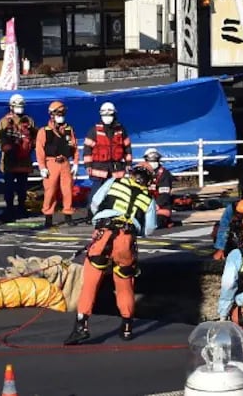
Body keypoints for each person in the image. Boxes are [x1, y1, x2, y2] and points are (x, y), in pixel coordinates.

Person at [66, 164, 158, 344]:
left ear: (132, 174)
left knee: (90, 282)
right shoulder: (149, 199)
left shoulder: (114, 182)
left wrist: (99, 219)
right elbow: (150, 228)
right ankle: (126, 327)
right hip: (126, 240)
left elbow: (95, 201)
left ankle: (81, 325)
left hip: (104, 235)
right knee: (125, 285)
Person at [35, 100, 79, 228]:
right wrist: (42, 167)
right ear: (52, 115)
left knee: (67, 190)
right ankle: (48, 217)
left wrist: (75, 163)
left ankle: (68, 215)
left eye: (63, 112)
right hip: (51, 163)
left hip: (65, 163)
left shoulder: (69, 130)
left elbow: (74, 147)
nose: (61, 115)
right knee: (50, 191)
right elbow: (39, 150)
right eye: (58, 113)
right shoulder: (44, 131)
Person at [0, 94, 36, 219]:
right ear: (11, 106)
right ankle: (9, 209)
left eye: (21, 106)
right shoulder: (5, 121)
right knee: (9, 187)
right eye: (17, 106)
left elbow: (35, 137)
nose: (20, 108)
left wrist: (29, 146)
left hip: (24, 160)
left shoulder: (29, 121)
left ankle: (21, 208)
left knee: (22, 187)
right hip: (10, 161)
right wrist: (7, 148)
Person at [83, 102, 132, 201]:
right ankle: (92, 214)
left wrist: (128, 163)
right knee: (95, 195)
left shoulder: (121, 130)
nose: (107, 117)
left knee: (116, 194)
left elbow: (127, 148)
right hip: (99, 168)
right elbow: (87, 149)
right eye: (105, 115)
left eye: (109, 114)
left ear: (114, 114)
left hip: (116, 168)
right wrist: (88, 165)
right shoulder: (94, 130)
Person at [140, 147, 175, 227]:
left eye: (155, 159)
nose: (152, 162)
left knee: (155, 223)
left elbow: (165, 195)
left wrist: (155, 206)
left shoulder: (164, 174)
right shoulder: (141, 173)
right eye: (150, 159)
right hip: (144, 204)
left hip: (159, 207)